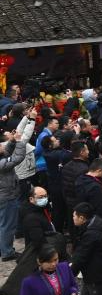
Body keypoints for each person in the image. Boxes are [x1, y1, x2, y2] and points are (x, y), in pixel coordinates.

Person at [1, 107, 35, 261]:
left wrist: (14, 140)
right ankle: (7, 252)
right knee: (8, 225)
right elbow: (17, 158)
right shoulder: (2, 163)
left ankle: (3, 248)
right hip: (7, 196)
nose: (3, 145)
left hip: (5, 194)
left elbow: (8, 150)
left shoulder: (2, 155)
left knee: (3, 224)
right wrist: (20, 141)